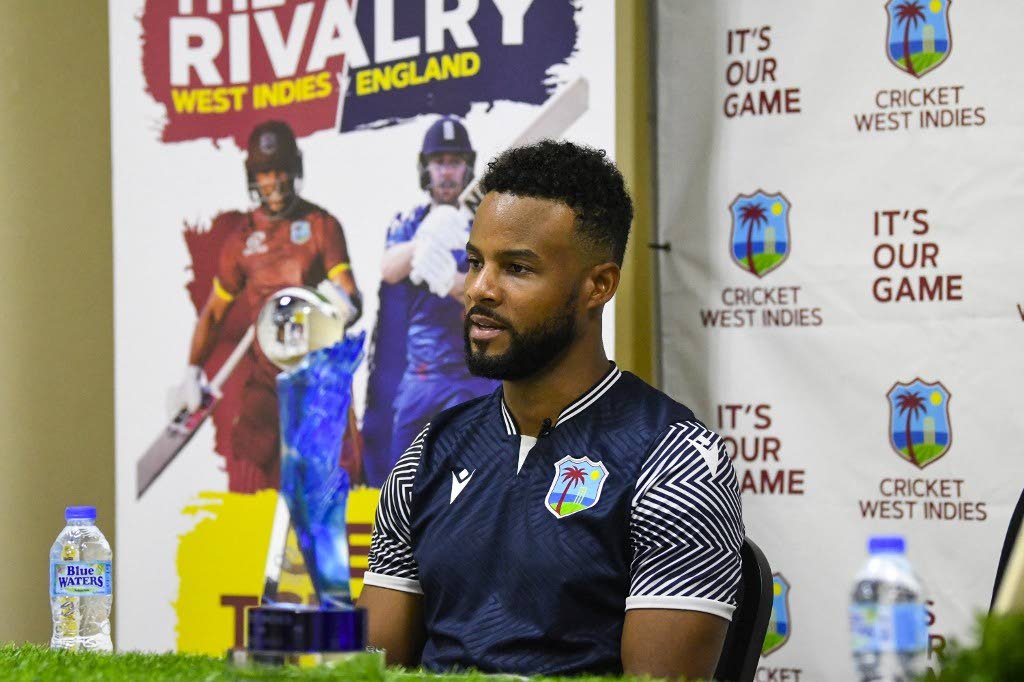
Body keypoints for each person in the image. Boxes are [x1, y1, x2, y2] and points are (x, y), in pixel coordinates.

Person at [359, 140, 745, 678]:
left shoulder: (673, 457)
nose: (479, 290)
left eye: (516, 268)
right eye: (475, 263)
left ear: (598, 285)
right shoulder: (428, 452)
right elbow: (371, 669)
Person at [172, 120, 363, 492]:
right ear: (252, 178)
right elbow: (213, 312)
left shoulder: (321, 225)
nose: (273, 183)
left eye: (281, 171)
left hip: (319, 376)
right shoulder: (241, 240)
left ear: (295, 170)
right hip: (266, 378)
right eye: (264, 174)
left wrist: (345, 305)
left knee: (335, 477)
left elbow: (349, 292)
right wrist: (192, 372)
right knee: (246, 467)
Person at [361, 116, 498, 487]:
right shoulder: (411, 221)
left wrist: (451, 282)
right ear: (427, 168)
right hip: (420, 377)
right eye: (440, 162)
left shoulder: (490, 226)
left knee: (469, 490)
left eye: (454, 162)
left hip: (474, 378)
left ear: (467, 166)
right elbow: (389, 268)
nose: (447, 173)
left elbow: (495, 303)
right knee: (399, 488)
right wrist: (427, 238)